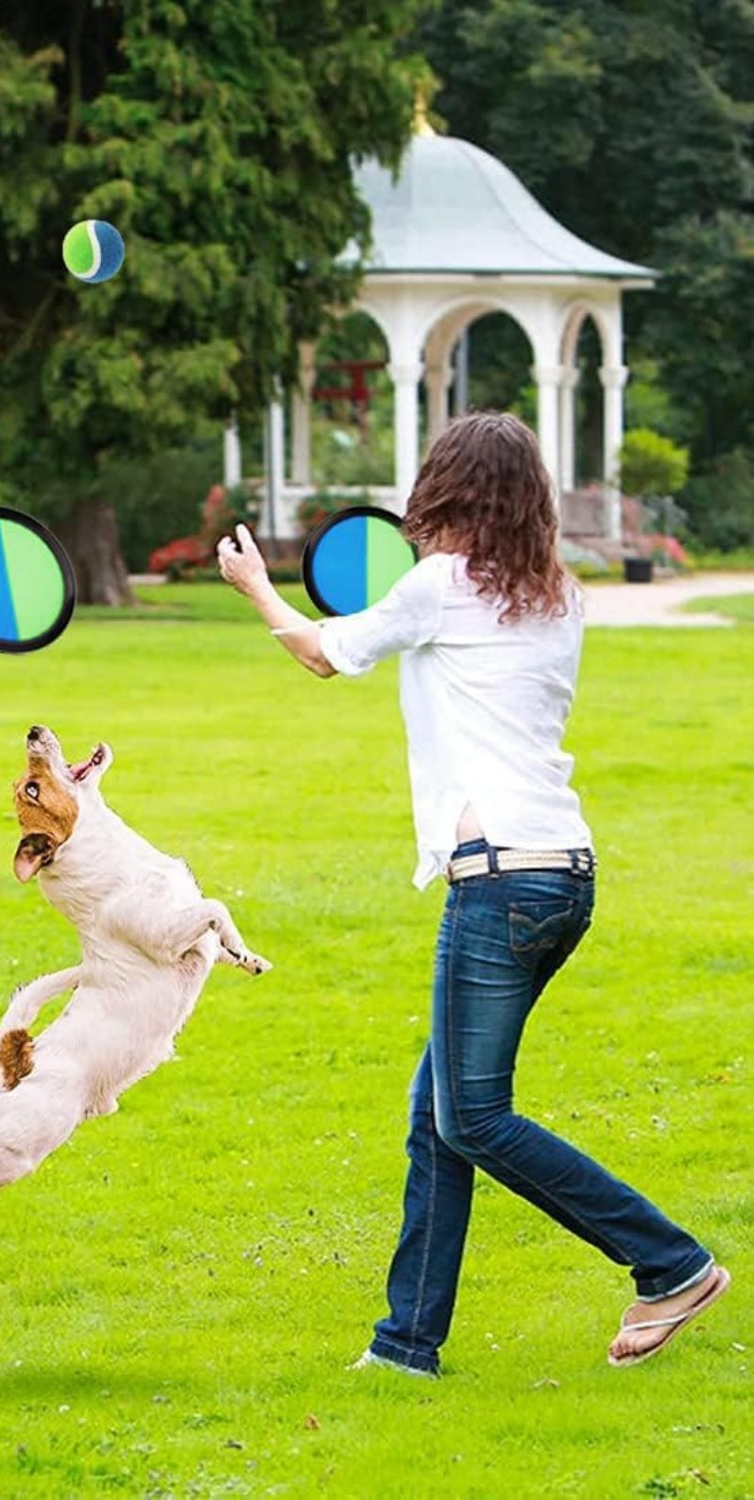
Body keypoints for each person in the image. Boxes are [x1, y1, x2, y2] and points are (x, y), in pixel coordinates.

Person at [217, 410, 729, 1375]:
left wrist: (255, 588)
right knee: (439, 1110)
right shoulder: (560, 594)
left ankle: (672, 1263)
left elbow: (326, 654)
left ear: (448, 489)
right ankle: (407, 1344)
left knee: (474, 1117)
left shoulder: (443, 588)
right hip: (563, 875)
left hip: (500, 884)